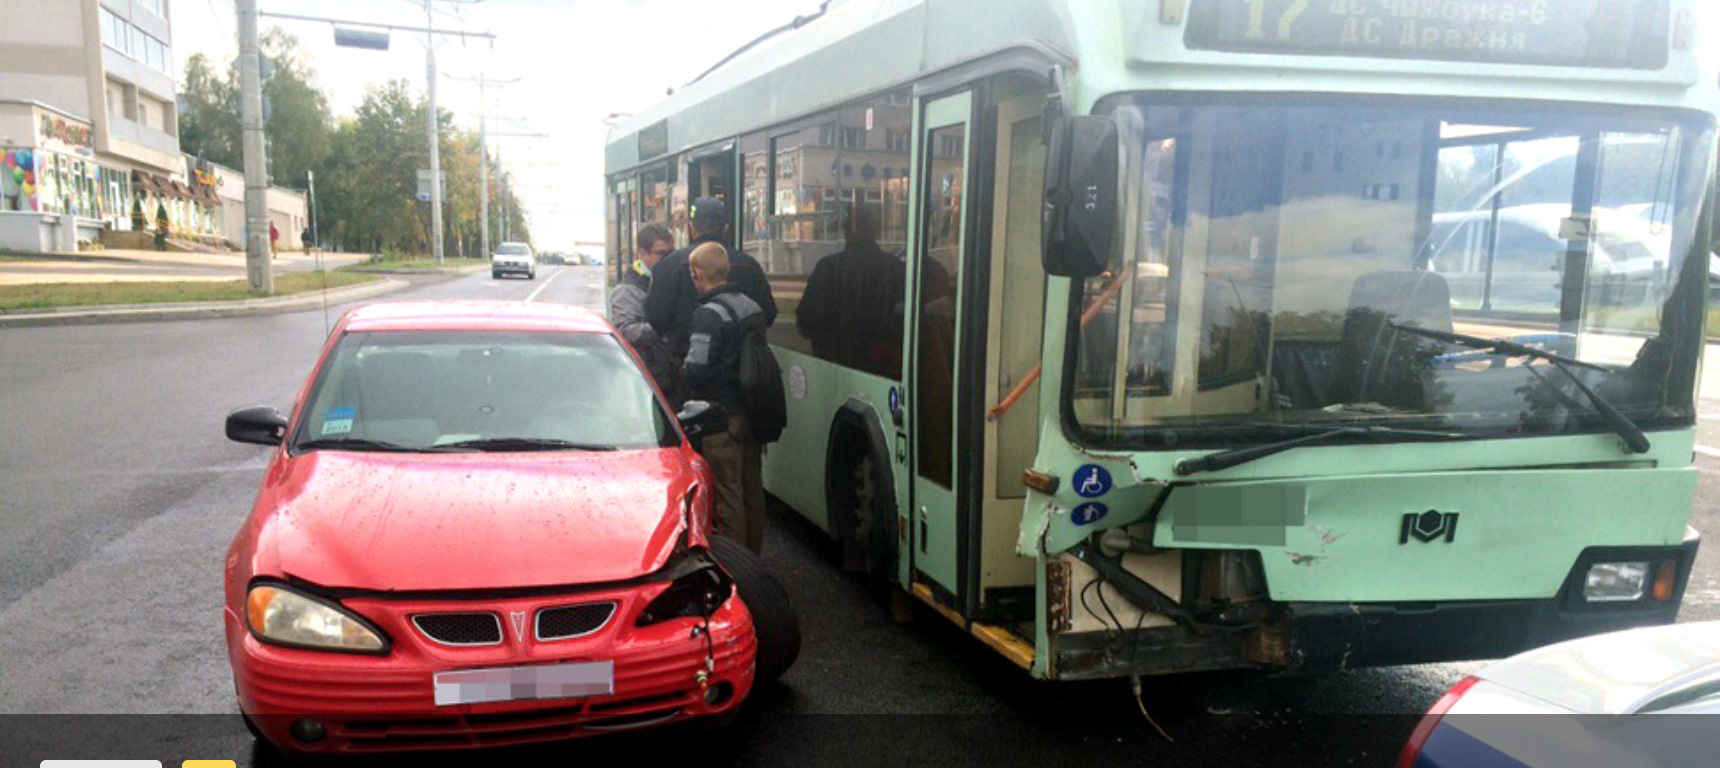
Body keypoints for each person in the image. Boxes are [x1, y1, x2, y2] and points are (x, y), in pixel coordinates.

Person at [683, 242, 767, 553]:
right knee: (750, 490)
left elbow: (698, 368)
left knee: (727, 491)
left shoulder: (708, 314)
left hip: (722, 416)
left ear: (698, 273)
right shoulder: (751, 306)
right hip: (751, 411)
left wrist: (684, 368)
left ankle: (737, 567)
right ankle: (754, 558)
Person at [645, 196, 776, 371]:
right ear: (726, 228)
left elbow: (655, 319)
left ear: (691, 227)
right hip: (742, 372)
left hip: (686, 368)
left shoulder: (668, 265)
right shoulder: (749, 265)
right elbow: (767, 313)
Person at [795, 204, 906, 378]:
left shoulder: (828, 268)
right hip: (883, 374)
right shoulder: (896, 269)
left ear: (845, 231)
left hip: (832, 371)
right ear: (875, 230)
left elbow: (805, 323)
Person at [608, 223, 681, 401]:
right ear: (642, 253)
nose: (669, 259)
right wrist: (663, 326)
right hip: (649, 379)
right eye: (662, 254)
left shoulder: (675, 278)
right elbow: (626, 330)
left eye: (673, 253)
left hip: (674, 376)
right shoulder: (627, 290)